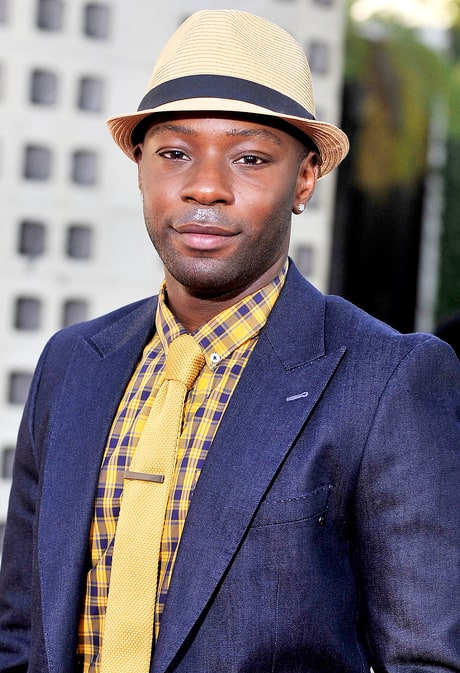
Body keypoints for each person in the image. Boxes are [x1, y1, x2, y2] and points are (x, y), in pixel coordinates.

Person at [0, 9, 459, 673]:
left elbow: (427, 659)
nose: (205, 186)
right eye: (175, 153)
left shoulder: (388, 380)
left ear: (303, 180)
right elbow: (20, 631)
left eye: (249, 158)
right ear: (139, 166)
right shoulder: (71, 363)